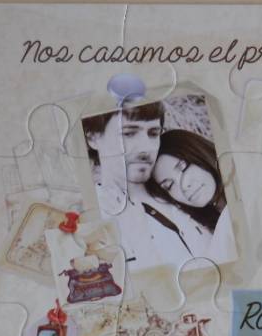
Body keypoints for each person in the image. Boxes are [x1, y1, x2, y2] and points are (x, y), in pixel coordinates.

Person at [82, 102, 192, 270]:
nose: (146, 147)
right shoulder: (92, 218)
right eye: (129, 133)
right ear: (93, 138)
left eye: (153, 133)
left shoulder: (187, 190)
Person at [144, 129, 237, 264]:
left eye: (183, 167)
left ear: (199, 152)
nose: (184, 186)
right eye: (169, 185)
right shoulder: (212, 232)